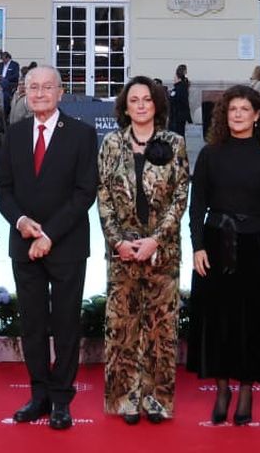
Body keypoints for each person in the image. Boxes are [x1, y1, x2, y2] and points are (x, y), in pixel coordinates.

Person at [0, 65, 99, 431]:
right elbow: (2, 188)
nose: (39, 93)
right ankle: (38, 395)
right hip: (23, 245)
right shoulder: (15, 134)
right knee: (33, 325)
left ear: (60, 92)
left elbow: (85, 191)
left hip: (66, 245)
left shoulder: (82, 135)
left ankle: (61, 400)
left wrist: (49, 234)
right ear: (25, 93)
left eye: (46, 87)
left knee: (66, 324)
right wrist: (21, 222)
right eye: (33, 88)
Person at [186, 84, 260, 427]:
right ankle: (222, 390)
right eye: (232, 109)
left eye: (245, 109)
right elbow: (197, 205)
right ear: (224, 115)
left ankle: (246, 391)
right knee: (218, 319)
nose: (238, 115)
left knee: (251, 320)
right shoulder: (210, 154)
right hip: (215, 244)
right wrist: (197, 246)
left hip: (256, 245)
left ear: (257, 115)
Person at [96, 76, 189, 424]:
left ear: (156, 104)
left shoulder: (174, 143)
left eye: (146, 99)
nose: (140, 105)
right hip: (121, 251)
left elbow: (180, 197)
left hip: (162, 251)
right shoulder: (111, 143)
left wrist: (156, 240)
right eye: (133, 100)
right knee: (123, 325)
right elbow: (103, 196)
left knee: (161, 328)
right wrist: (118, 241)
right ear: (124, 107)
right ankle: (126, 399)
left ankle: (157, 400)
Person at [166, 64, 192, 136]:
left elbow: (184, 103)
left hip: (176, 118)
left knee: (177, 135)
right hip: (177, 117)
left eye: (175, 77)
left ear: (178, 78)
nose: (173, 78)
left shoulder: (179, 89)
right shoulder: (180, 88)